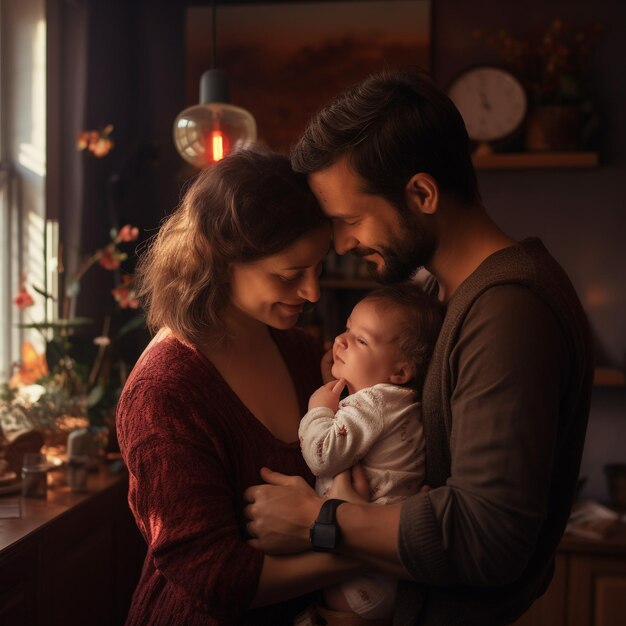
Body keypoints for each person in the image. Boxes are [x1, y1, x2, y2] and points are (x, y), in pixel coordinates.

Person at [243, 69, 594, 626]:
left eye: (350, 219)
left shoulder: (509, 308)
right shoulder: (435, 295)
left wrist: (320, 521)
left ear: (423, 193)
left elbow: (489, 536)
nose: (341, 244)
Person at [116, 148, 366, 625]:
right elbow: (212, 576)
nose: (313, 293)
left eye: (318, 268)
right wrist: (365, 548)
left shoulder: (298, 349)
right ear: (220, 258)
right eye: (291, 275)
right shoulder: (163, 389)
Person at [300, 284, 444, 622]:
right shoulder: (396, 402)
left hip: (360, 578)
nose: (341, 341)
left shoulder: (375, 401)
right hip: (380, 571)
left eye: (361, 340)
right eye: (347, 329)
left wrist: (318, 409)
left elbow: (323, 454)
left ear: (400, 372)